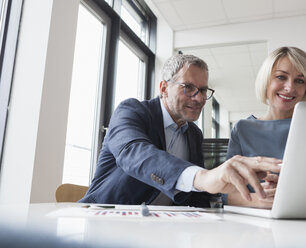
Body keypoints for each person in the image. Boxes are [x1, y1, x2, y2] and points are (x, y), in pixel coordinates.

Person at [79, 54, 281, 207]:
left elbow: (197, 194)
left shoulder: (194, 133)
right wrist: (202, 177)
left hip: (164, 229)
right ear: (164, 88)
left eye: (202, 90)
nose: (199, 98)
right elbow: (134, 152)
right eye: (188, 88)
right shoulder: (132, 111)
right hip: (105, 217)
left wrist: (246, 197)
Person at [226, 46, 306, 208]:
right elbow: (226, 194)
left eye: (300, 80)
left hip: (304, 215)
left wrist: (293, 190)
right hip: (255, 224)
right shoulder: (242, 129)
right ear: (266, 80)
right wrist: (259, 199)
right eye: (281, 77)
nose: (290, 87)